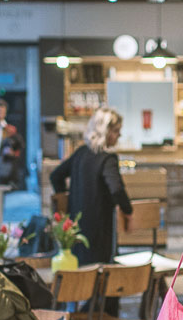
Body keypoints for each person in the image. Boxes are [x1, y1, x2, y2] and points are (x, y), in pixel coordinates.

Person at [49, 107, 132, 264]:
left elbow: (55, 176)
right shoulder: (108, 159)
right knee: (100, 269)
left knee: (80, 270)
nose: (119, 136)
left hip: (76, 226)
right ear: (104, 131)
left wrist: (67, 199)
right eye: (116, 131)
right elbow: (116, 189)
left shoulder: (80, 153)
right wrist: (128, 211)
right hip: (99, 227)